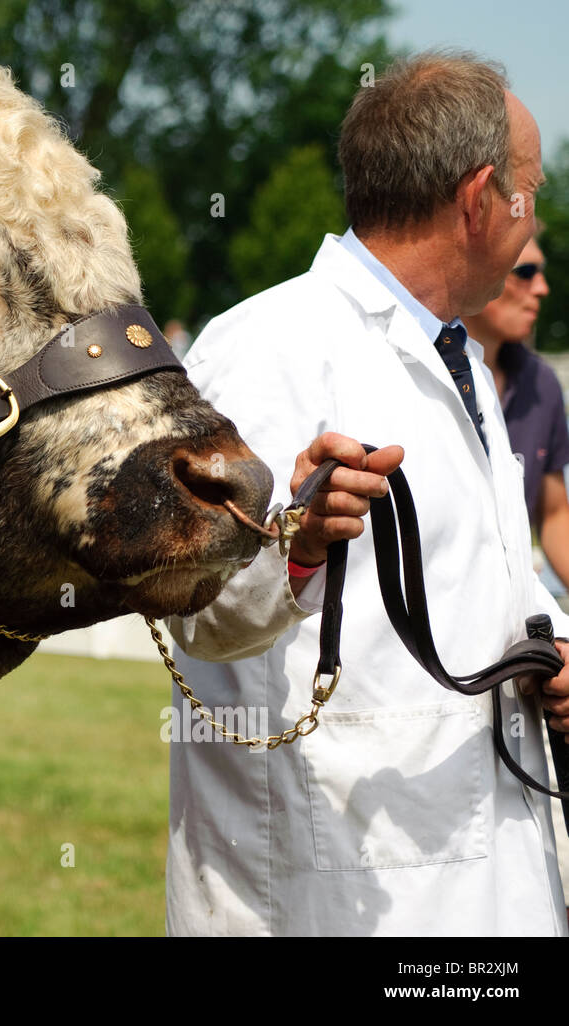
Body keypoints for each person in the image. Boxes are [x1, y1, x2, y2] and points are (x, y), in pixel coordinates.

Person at [164, 52, 569, 935]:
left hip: (484, 874)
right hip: (336, 890)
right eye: (529, 191)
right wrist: (298, 547)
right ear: (478, 198)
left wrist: (558, 646)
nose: (534, 217)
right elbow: (196, 614)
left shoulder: (458, 356)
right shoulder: (265, 348)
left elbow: (491, 569)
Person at [463, 235, 569, 587]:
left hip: (513, 628)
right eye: (525, 272)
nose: (542, 288)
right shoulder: (416, 374)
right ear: (472, 268)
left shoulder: (541, 385)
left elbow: (553, 513)